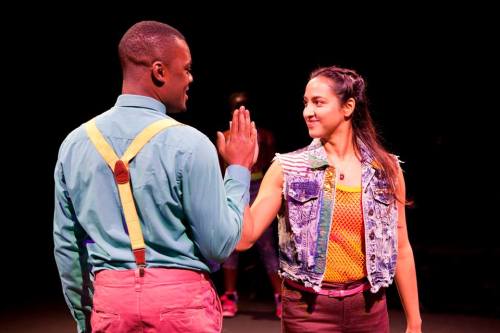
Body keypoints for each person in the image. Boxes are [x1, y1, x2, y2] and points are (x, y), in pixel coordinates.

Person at [53, 21, 257, 333]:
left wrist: (85, 318)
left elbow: (68, 247)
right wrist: (239, 170)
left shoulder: (74, 144)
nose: (191, 78)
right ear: (159, 71)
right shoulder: (191, 144)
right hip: (180, 306)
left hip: (111, 306)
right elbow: (219, 244)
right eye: (186, 68)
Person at [235, 66, 422, 332]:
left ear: (347, 107)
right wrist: (239, 169)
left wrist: (414, 321)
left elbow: (401, 249)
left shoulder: (385, 170)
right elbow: (244, 238)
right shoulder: (289, 168)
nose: (307, 112)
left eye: (318, 102)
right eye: (306, 103)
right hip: (308, 310)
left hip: (369, 308)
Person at [218, 91, 282, 318]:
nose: (240, 108)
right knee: (231, 245)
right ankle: (230, 295)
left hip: (258, 189)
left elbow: (267, 163)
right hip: (234, 188)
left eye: (244, 105)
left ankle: (280, 296)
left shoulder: (264, 136)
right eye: (237, 105)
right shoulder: (225, 136)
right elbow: (221, 168)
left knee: (266, 246)